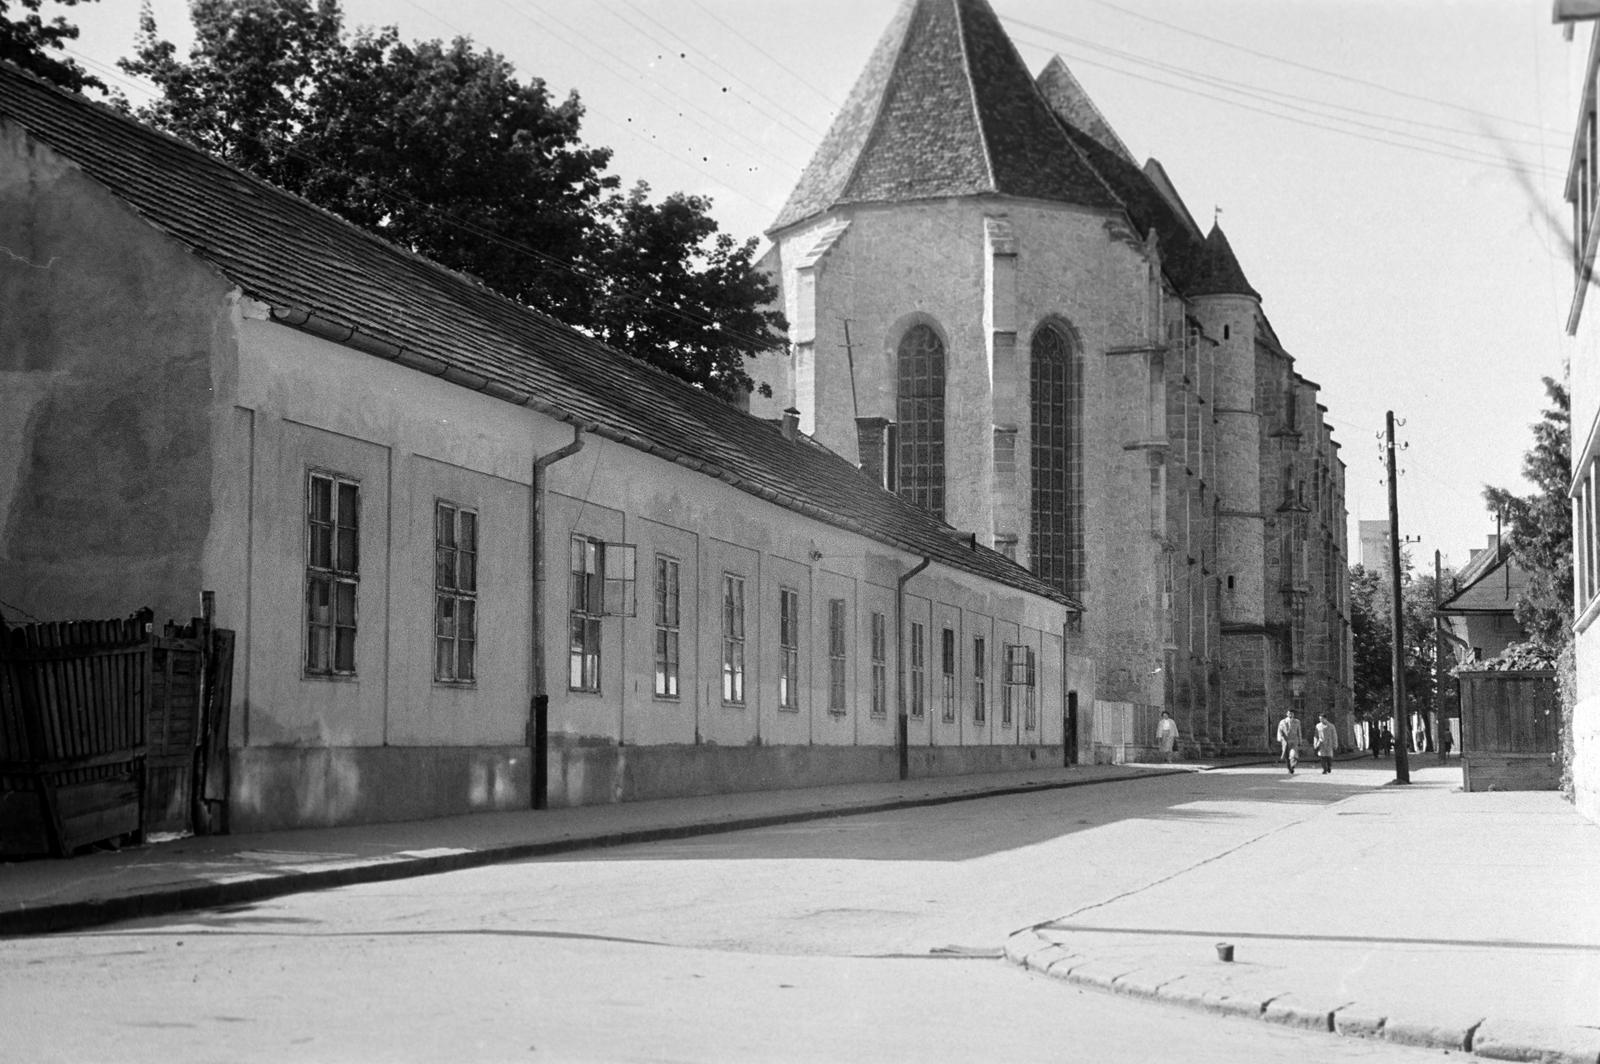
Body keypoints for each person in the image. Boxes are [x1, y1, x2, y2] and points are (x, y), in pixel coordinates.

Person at [1275, 708, 1303, 775]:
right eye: (1289, 713)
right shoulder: (1282, 722)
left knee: (1293, 755)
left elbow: (1299, 731)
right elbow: (1279, 730)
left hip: (1294, 740)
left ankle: (1292, 766)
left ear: (1294, 714)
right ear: (1287, 714)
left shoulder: (1297, 722)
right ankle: (1289, 768)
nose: (1290, 715)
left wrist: (1300, 740)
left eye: (1292, 713)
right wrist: (1279, 738)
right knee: (1287, 756)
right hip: (1285, 741)